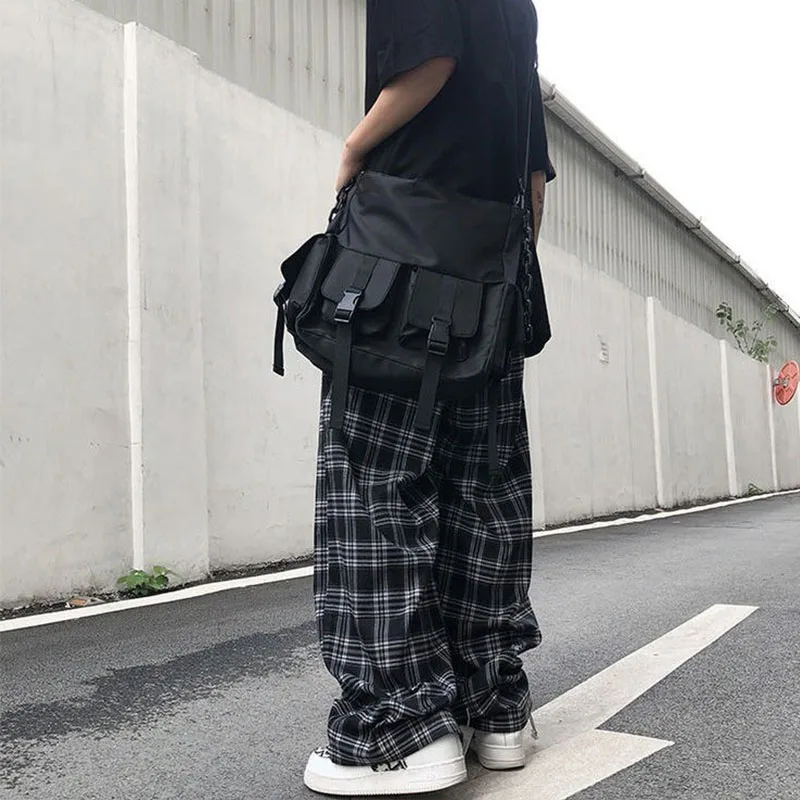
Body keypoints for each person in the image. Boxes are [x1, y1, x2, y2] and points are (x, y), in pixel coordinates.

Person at [304, 0, 556, 795]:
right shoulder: (518, 8)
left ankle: (398, 731)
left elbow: (429, 62)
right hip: (493, 271)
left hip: (399, 261)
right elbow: (534, 181)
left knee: (376, 487)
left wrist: (353, 150)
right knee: (483, 489)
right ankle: (495, 709)